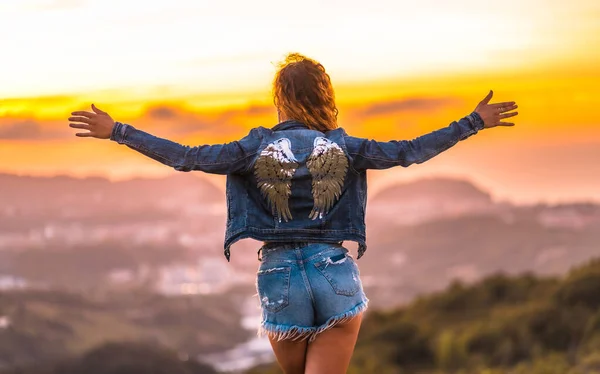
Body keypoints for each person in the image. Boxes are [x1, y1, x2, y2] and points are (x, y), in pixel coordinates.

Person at [68, 53, 518, 374]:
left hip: (279, 274)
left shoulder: (252, 147)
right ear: (324, 97)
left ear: (280, 97)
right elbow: (408, 152)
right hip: (333, 271)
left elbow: (187, 157)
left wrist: (119, 131)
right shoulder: (346, 147)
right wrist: (472, 121)